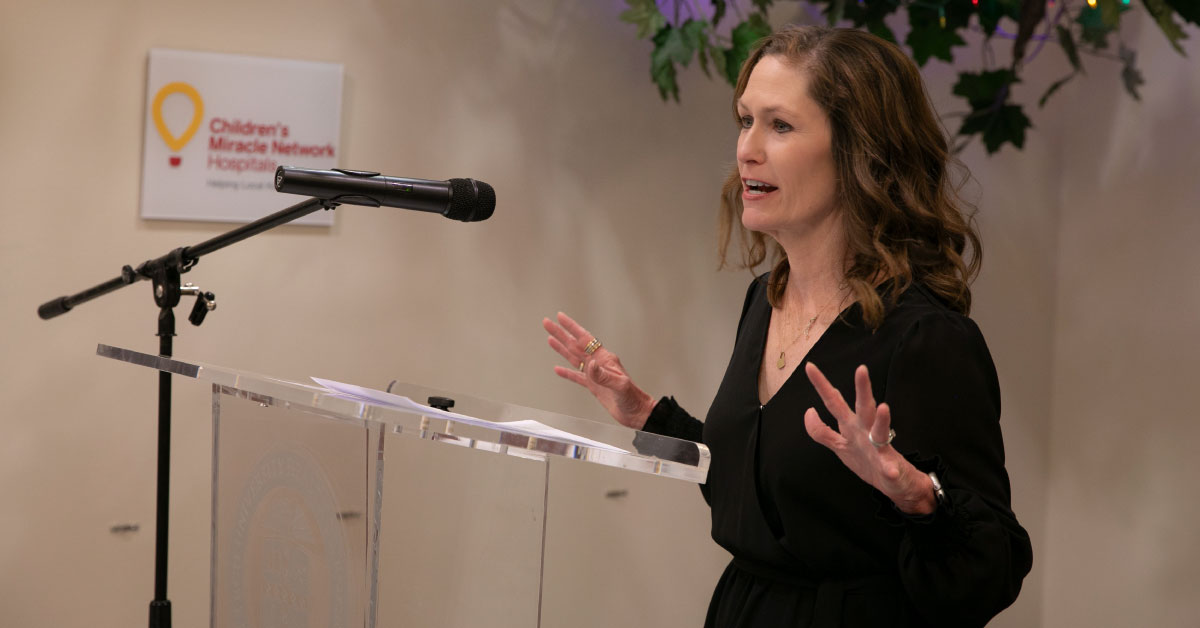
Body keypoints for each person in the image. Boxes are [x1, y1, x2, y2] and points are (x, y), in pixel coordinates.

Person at [542, 25, 1032, 628]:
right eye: (745, 120)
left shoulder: (926, 339)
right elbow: (767, 496)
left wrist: (917, 495)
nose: (747, 149)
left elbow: (992, 569)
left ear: (861, 152)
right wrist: (648, 415)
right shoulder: (763, 301)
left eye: (780, 125)